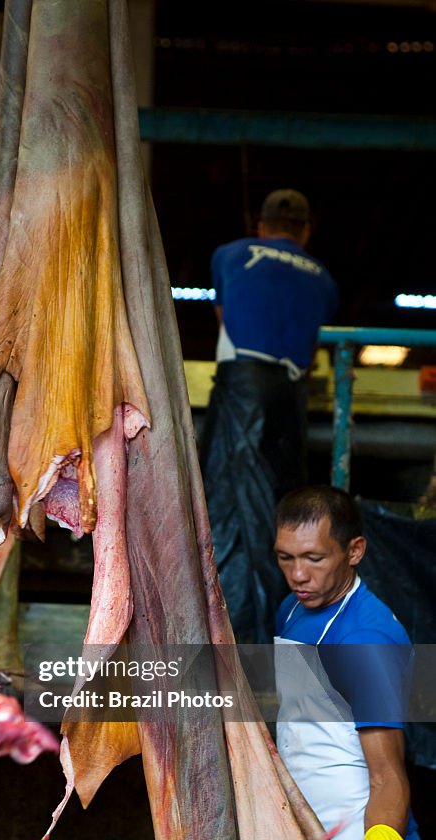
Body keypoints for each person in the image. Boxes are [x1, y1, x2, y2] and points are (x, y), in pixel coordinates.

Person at [273, 483, 426, 840]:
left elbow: (389, 775)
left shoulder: (366, 639)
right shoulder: (292, 611)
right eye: (286, 558)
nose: (298, 575)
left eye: (315, 558)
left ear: (354, 551)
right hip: (310, 839)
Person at [199, 188, 339, 643]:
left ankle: (229, 645)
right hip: (291, 400)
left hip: (244, 391)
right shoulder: (323, 278)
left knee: (227, 513)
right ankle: (282, 635)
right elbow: (312, 347)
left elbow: (226, 318)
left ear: (260, 225)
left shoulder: (230, 254)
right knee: (281, 510)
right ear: (307, 231)